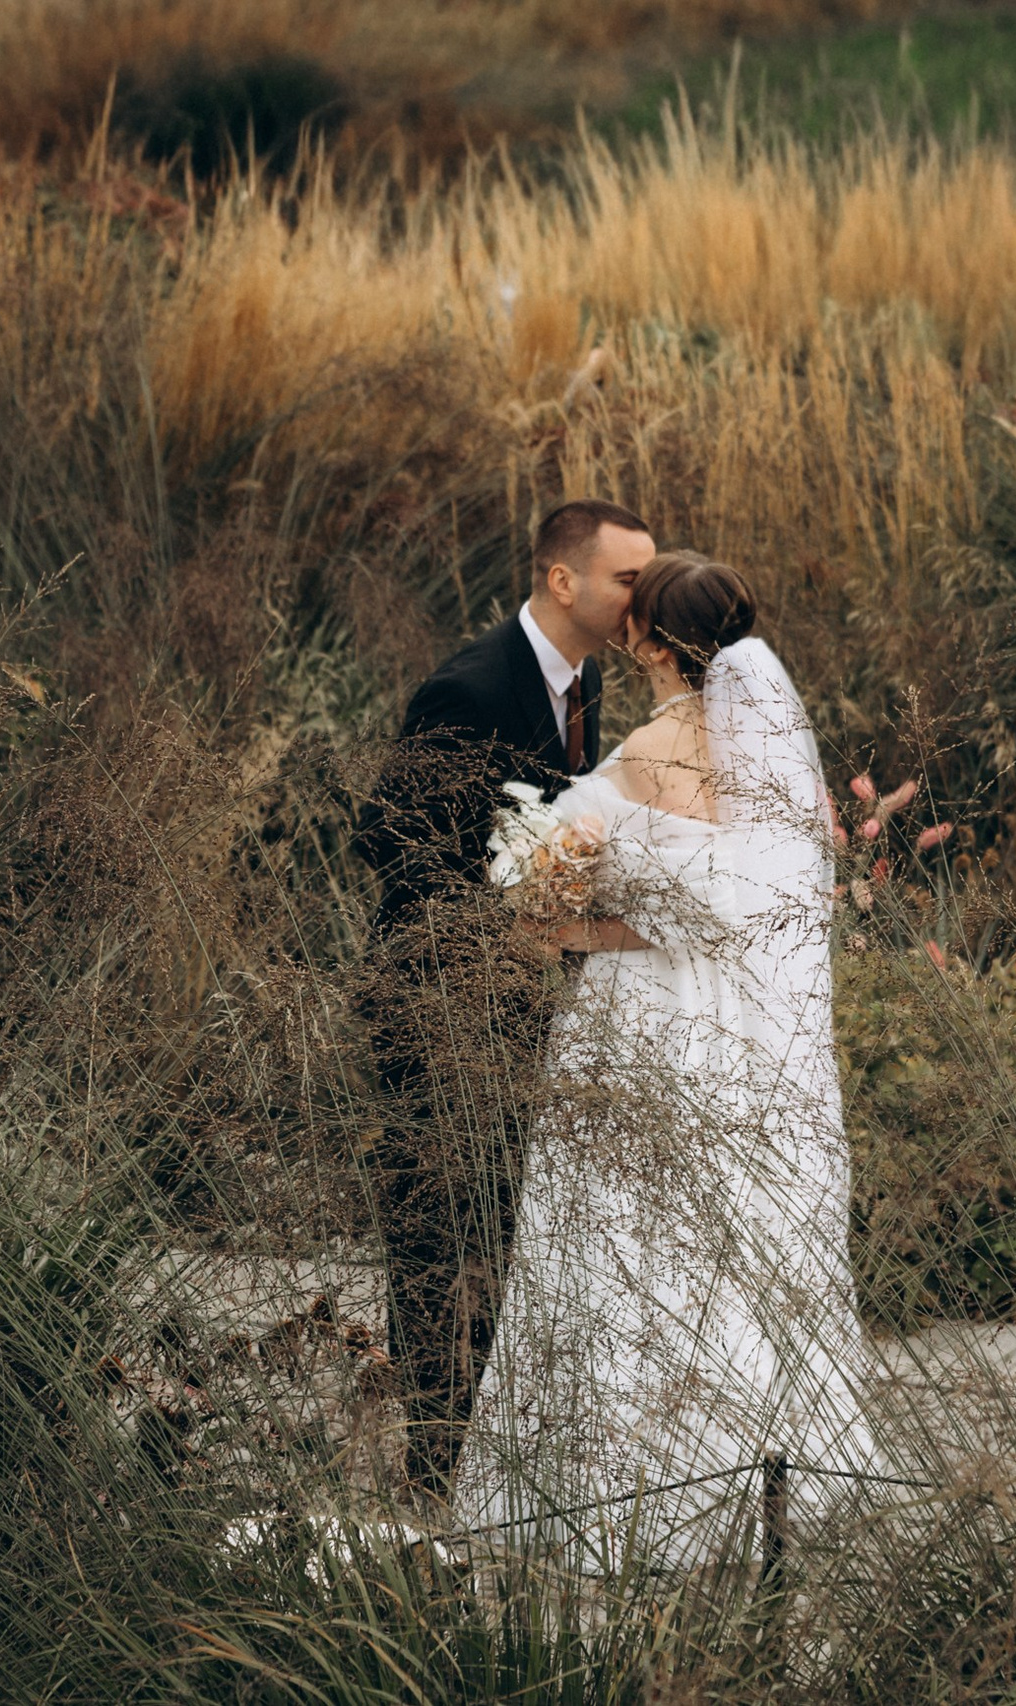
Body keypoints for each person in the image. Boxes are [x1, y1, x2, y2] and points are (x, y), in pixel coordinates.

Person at [450, 551, 885, 1568]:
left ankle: (621, 1500)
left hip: (637, 1032)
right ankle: (751, 1480)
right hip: (740, 1044)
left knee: (614, 1241)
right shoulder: (776, 752)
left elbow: (536, 899)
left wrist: (586, 935)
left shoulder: (644, 755)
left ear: (646, 639)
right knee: (728, 1245)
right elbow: (761, 917)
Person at [354, 498, 657, 1501]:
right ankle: (432, 1468)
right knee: (437, 1243)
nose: (641, 596)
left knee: (497, 1231)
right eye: (627, 579)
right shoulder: (470, 687)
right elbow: (394, 845)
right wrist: (513, 916)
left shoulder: (584, 680)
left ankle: (482, 1457)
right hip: (437, 1010)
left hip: (513, 1012)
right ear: (562, 580)